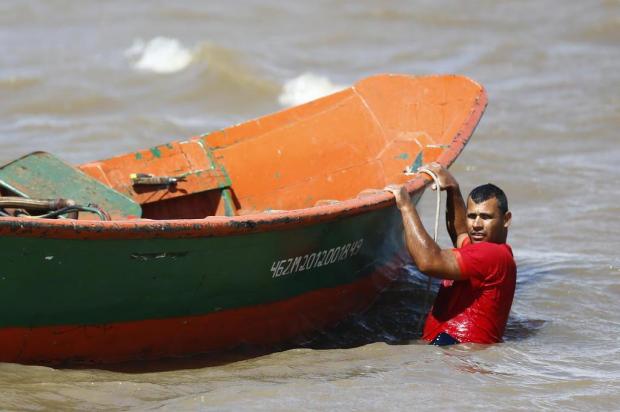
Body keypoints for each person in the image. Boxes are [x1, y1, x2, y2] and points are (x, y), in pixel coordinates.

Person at [385, 162, 516, 346]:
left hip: (459, 358)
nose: (476, 224)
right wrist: (453, 189)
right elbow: (461, 234)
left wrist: (406, 207)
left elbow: (428, 262)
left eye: (486, 217)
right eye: (472, 216)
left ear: (506, 219)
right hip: (450, 357)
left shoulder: (492, 254)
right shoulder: (485, 250)